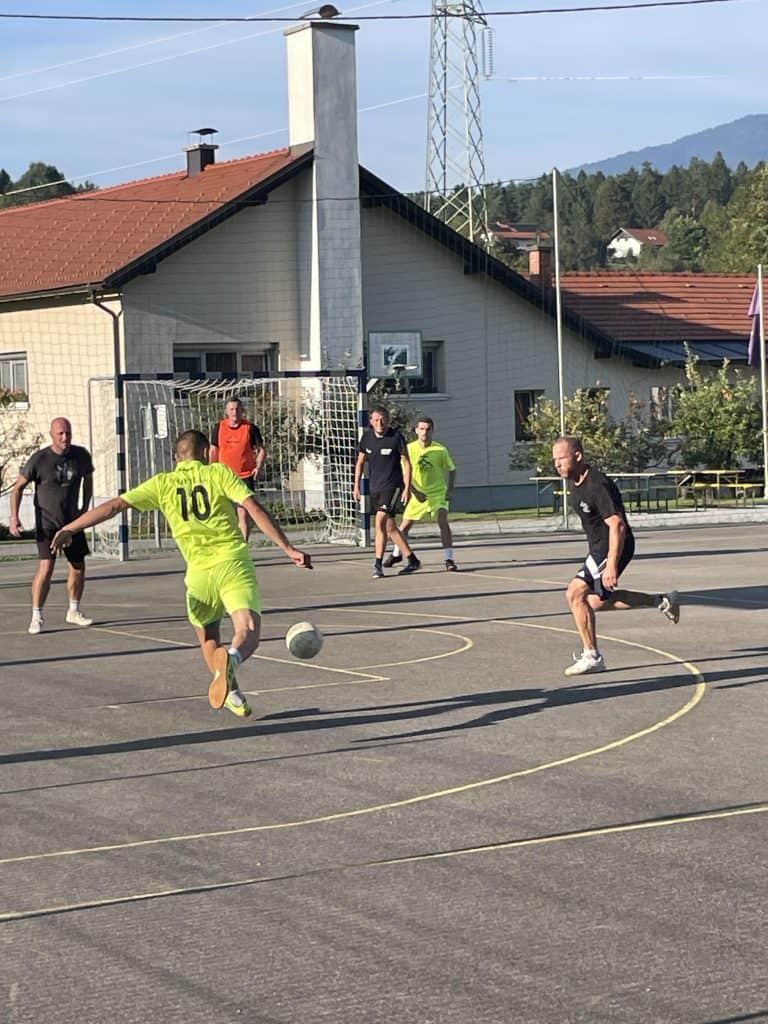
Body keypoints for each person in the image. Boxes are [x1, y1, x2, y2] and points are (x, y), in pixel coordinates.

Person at [51, 429, 312, 719]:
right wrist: (288, 548)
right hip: (232, 564)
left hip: (198, 574)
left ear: (176, 458)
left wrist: (70, 528)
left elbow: (114, 506)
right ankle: (233, 659)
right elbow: (253, 508)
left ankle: (232, 694)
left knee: (209, 637)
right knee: (247, 629)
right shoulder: (218, 473)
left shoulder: (163, 483)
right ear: (207, 453)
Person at [552, 435, 680, 677]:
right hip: (599, 547)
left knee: (575, 593)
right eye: (555, 460)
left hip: (613, 545)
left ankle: (592, 656)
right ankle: (662, 601)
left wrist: (611, 563)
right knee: (595, 602)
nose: (557, 464)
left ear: (578, 456)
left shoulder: (596, 484)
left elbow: (617, 525)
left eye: (562, 458)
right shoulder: (574, 481)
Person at [9, 417, 94, 635]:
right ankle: (36, 616)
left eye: (68, 433)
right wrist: (14, 517)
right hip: (47, 524)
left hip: (72, 523)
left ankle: (73, 610)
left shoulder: (81, 456)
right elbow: (17, 488)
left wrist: (84, 508)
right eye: (60, 434)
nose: (65, 438)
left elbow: (88, 480)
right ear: (52, 435)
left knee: (78, 567)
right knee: (46, 568)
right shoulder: (40, 459)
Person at [353, 405, 421, 579]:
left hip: (393, 486)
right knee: (390, 527)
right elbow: (360, 462)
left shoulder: (396, 437)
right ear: (371, 422)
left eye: (383, 420)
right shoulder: (367, 438)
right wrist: (356, 485)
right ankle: (412, 559)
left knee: (380, 521)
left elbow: (407, 463)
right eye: (376, 420)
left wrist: (407, 488)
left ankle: (377, 564)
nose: (380, 423)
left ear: (388, 420)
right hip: (375, 487)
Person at [384, 416, 458, 571]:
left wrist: (450, 489)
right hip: (417, 493)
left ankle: (449, 559)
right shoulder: (409, 449)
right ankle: (397, 554)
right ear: (416, 430)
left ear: (432, 431)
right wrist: (414, 491)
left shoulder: (440, 450)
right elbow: (404, 473)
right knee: (403, 527)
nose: (425, 432)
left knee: (442, 520)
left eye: (428, 429)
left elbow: (452, 470)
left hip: (437, 493)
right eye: (422, 429)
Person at [209, 397, 267, 541]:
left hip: (244, 476)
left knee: (243, 513)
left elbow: (261, 450)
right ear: (226, 411)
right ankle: (225, 542)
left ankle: (243, 544)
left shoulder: (250, 428)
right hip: (223, 476)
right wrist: (210, 469)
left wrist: (258, 466)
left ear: (242, 410)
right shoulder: (219, 427)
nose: (234, 412)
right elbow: (213, 450)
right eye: (232, 409)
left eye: (237, 409)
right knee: (223, 512)